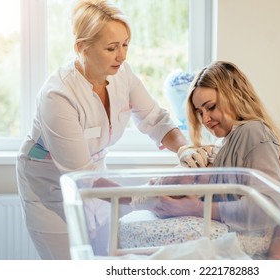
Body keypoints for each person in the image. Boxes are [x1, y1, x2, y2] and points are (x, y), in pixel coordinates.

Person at [15, 0, 203, 260]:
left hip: (94, 176)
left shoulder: (121, 73)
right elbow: (81, 175)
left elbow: (156, 119)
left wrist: (184, 147)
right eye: (112, 48)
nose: (122, 55)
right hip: (51, 188)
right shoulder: (58, 96)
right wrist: (142, 198)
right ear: (82, 48)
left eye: (126, 44)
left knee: (102, 260)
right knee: (68, 264)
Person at [152, 61, 280, 259]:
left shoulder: (253, 132)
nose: (205, 119)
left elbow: (267, 207)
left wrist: (198, 208)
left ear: (236, 95)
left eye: (210, 107)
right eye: (200, 112)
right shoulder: (225, 142)